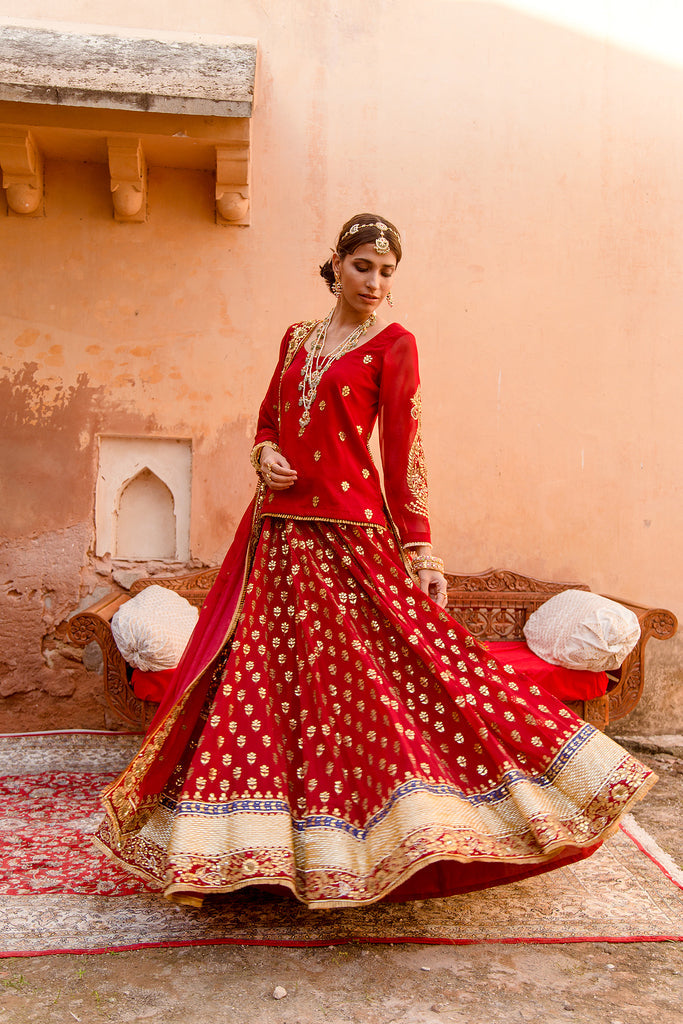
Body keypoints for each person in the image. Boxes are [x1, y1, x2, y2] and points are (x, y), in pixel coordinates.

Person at [95, 213, 655, 909]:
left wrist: (418, 545)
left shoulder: (393, 345)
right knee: (260, 684)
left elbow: (403, 448)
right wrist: (263, 452)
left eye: (387, 272)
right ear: (335, 263)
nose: (376, 283)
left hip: (349, 538)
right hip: (275, 538)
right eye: (363, 266)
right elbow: (269, 419)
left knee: (377, 683)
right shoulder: (296, 338)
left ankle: (378, 841)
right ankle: (241, 849)